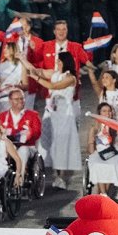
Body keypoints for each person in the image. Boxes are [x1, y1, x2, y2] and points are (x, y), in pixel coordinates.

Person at [35, 52, 82, 190]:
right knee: (51, 143)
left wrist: (35, 77)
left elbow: (54, 87)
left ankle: (61, 177)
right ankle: (52, 173)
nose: (58, 63)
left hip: (65, 114)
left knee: (61, 145)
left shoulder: (71, 78)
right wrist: (22, 60)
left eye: (60, 61)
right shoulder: (55, 74)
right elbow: (39, 71)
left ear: (66, 62)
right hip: (53, 112)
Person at [85, 102, 118, 196]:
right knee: (97, 165)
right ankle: (104, 193)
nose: (107, 113)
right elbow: (90, 148)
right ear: (99, 113)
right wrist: (91, 142)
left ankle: (103, 193)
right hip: (98, 151)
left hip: (113, 150)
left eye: (109, 111)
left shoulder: (116, 126)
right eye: (104, 111)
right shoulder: (94, 127)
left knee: (111, 165)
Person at [0, 87, 42, 170]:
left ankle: (20, 178)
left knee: (23, 150)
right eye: (16, 99)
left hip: (27, 147)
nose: (20, 101)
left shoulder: (33, 115)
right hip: (8, 147)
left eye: (22, 98)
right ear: (10, 101)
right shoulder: (2, 117)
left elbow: (37, 133)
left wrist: (30, 133)